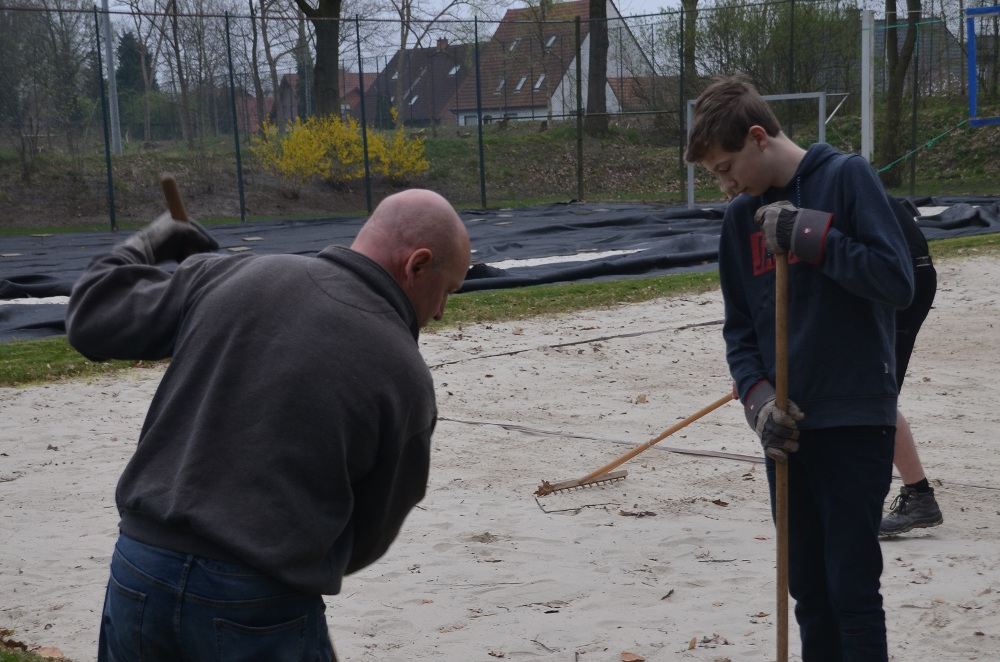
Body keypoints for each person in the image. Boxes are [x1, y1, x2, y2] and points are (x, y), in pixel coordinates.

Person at [66, 188, 471, 662]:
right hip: (254, 601)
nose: (442, 310)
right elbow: (368, 535)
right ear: (417, 265)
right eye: (448, 290)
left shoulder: (229, 273)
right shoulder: (405, 375)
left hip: (139, 573)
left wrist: (153, 241)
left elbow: (91, 316)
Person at [686, 76, 914, 661]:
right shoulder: (739, 222)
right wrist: (758, 404)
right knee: (808, 592)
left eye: (726, 167)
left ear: (758, 137)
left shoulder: (846, 177)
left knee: (852, 593)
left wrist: (811, 235)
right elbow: (739, 333)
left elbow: (896, 281)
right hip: (787, 435)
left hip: (855, 421)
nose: (725, 184)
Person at [880, 196, 944, 537]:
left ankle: (919, 496)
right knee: (875, 392)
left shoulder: (810, 186)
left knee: (874, 393)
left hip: (900, 277)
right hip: (909, 271)